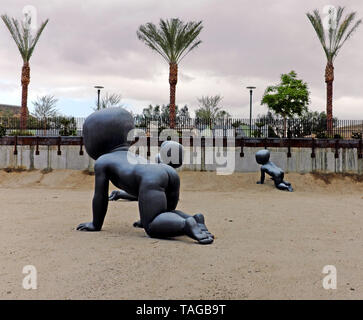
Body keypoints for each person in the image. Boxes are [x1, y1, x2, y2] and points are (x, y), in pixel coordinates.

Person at [77, 107, 214, 244]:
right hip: (167, 172)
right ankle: (196, 219)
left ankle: (186, 224)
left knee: (152, 225)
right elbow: (142, 192)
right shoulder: (133, 158)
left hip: (151, 178)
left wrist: (95, 224)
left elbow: (100, 197)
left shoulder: (103, 161)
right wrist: (121, 194)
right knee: (165, 212)